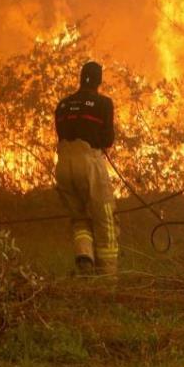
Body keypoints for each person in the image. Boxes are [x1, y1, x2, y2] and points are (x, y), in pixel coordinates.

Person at [54, 61, 118, 276]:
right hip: (88, 161)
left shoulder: (63, 104)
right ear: (99, 80)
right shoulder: (103, 103)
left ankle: (84, 256)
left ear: (80, 78)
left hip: (63, 164)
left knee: (79, 216)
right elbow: (107, 138)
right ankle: (108, 276)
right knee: (104, 217)